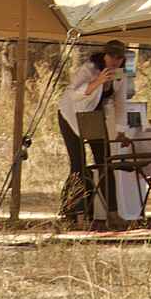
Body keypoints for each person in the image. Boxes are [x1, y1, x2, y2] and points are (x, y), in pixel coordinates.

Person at [57, 39, 133, 222]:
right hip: (70, 115)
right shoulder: (89, 69)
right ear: (104, 56)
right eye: (111, 57)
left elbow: (120, 103)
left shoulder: (120, 75)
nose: (114, 61)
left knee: (105, 161)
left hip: (93, 116)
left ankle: (113, 213)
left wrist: (121, 130)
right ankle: (77, 214)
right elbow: (75, 94)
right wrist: (99, 81)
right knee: (78, 163)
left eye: (118, 58)